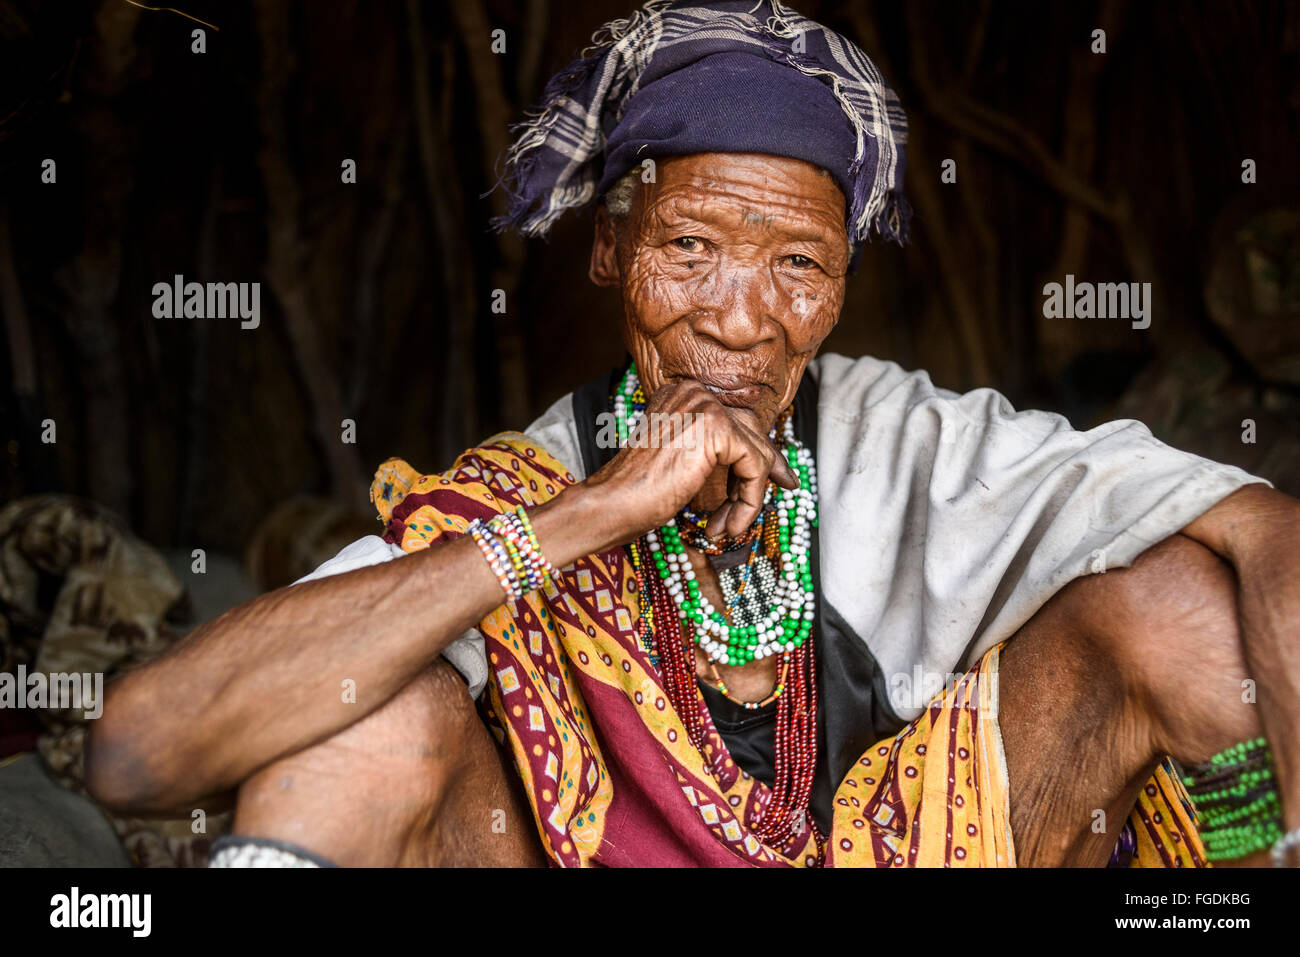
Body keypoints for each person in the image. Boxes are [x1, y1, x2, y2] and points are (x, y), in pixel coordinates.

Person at [86, 0, 1300, 868]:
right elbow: (135, 757)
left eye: (796, 267)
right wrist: (588, 516)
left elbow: (1266, 531)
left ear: (836, 293)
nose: (741, 319)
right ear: (611, 251)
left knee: (1184, 603)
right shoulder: (527, 488)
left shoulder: (907, 444)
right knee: (374, 721)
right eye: (690, 249)